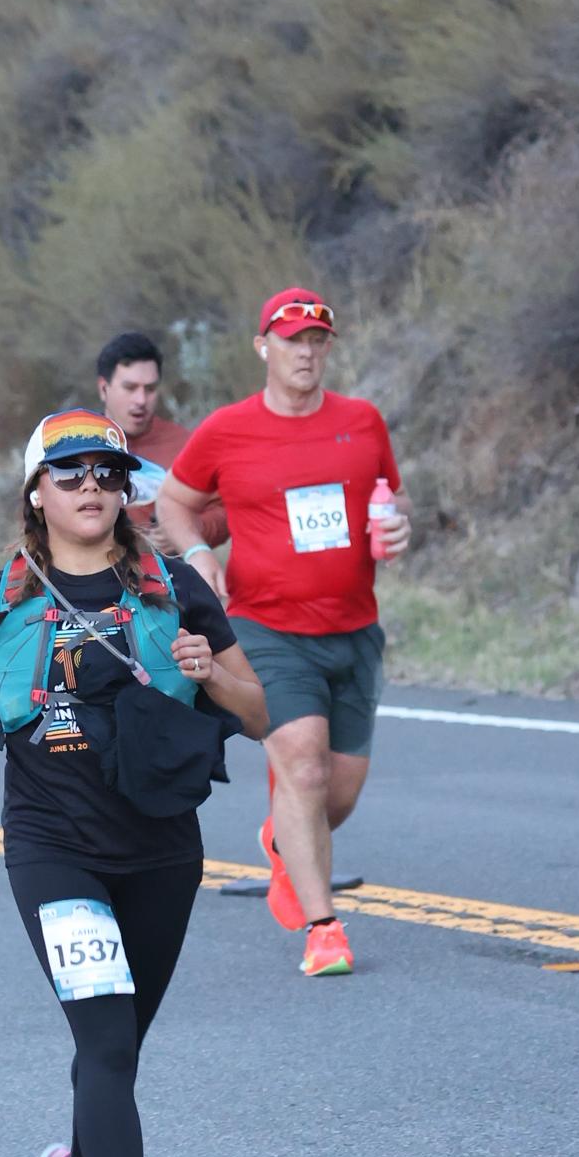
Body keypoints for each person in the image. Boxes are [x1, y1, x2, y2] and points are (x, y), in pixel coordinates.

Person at [0, 408, 268, 1157]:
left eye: (107, 473)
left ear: (125, 491)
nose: (90, 487)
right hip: (54, 848)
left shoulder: (175, 588)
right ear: (36, 494)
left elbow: (260, 713)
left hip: (162, 848)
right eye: (69, 473)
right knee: (108, 1041)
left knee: (118, 1045)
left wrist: (211, 672)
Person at [154, 287, 410, 979]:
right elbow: (174, 500)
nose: (306, 352)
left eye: (317, 340)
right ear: (263, 346)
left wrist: (397, 527)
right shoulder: (227, 430)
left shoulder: (362, 422)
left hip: (354, 630)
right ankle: (324, 930)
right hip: (266, 626)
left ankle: (282, 839)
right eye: (293, 339)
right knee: (302, 764)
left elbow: (390, 498)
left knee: (335, 794)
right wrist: (199, 553)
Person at [95, 332, 227, 555]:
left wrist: (187, 532)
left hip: (167, 574)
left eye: (150, 389)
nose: (141, 400)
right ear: (103, 388)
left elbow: (223, 512)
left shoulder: (185, 446)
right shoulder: (76, 445)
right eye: (130, 387)